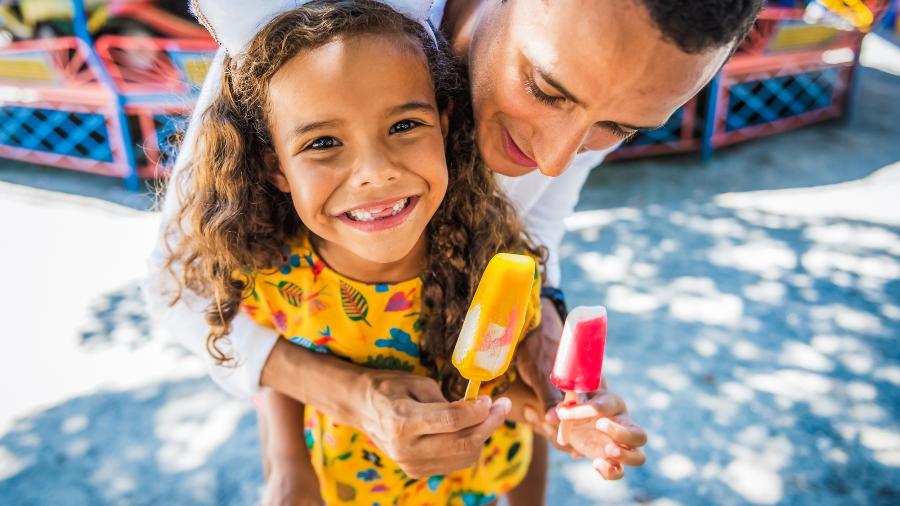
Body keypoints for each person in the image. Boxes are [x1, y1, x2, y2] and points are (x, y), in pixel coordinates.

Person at [146, 0, 762, 491]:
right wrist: (333, 422)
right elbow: (188, 295)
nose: (552, 159)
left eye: (617, 128)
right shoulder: (316, 46)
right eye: (547, 89)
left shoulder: (591, 90)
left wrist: (543, 351)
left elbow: (533, 240)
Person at [163, 1, 549, 503]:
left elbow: (515, 391)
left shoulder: (491, 255)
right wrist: (290, 471)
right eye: (323, 141)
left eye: (405, 125)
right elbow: (281, 370)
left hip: (481, 483)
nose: (374, 171)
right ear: (276, 166)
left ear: (445, 123)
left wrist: (556, 417)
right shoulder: (275, 274)